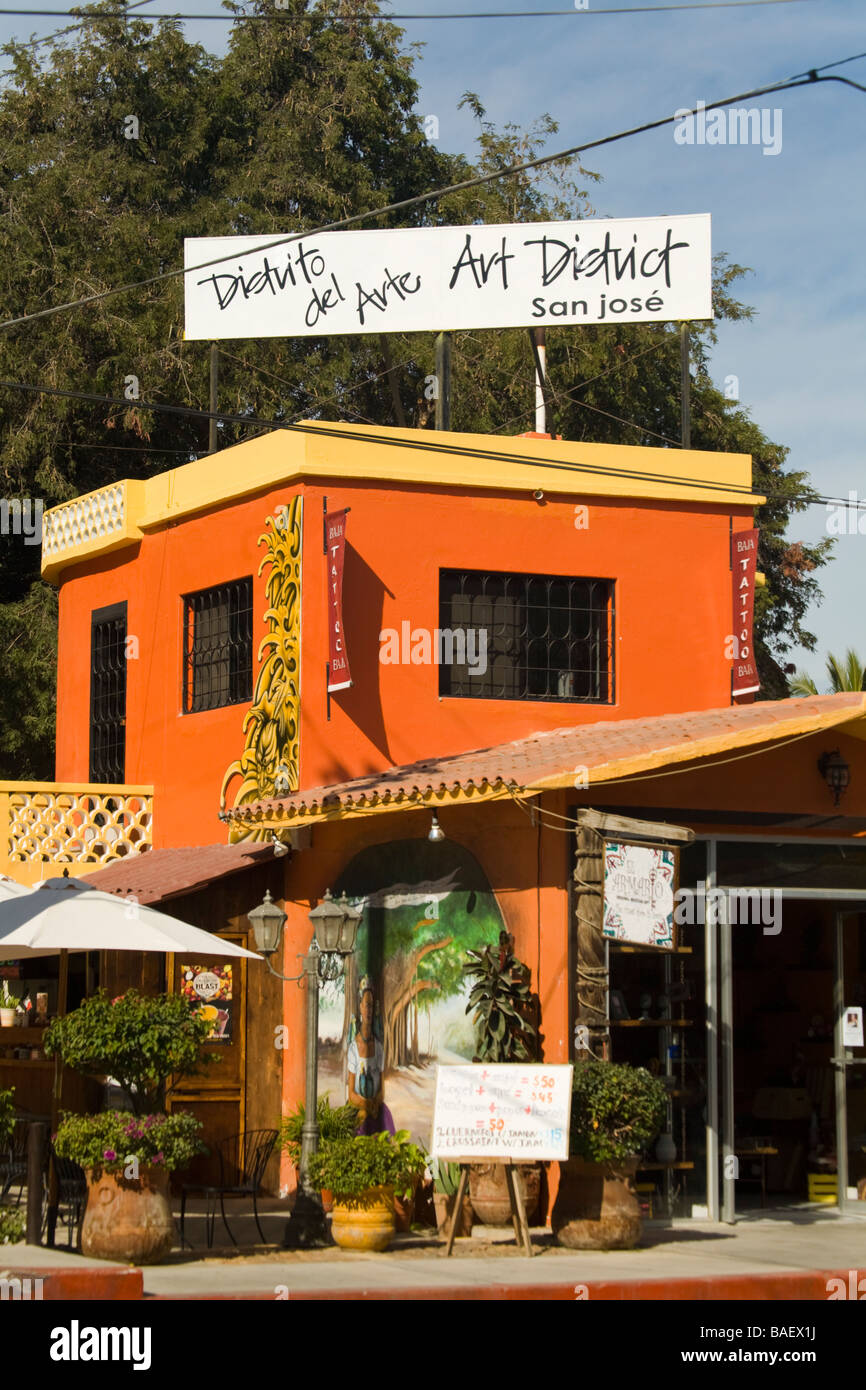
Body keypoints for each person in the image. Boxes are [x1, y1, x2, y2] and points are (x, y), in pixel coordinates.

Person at [347, 980, 395, 1136]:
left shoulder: (379, 1048)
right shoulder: (353, 1048)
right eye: (366, 1005)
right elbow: (351, 1094)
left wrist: (375, 1104)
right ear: (360, 1007)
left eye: (371, 1006)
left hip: (376, 1109)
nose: (369, 1010)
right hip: (358, 1110)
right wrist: (365, 1106)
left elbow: (381, 1090)